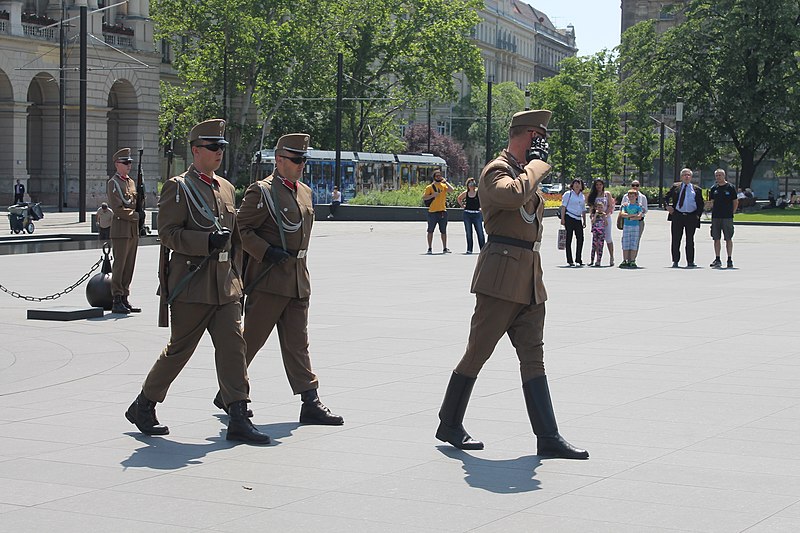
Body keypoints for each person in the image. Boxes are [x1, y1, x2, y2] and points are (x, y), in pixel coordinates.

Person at [435, 109, 588, 460]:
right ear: (529, 135)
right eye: (540, 136)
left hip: (529, 277)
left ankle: (547, 436)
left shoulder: (522, 172)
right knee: (478, 352)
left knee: (534, 355)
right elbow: (514, 196)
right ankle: (449, 422)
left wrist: (532, 168)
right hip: (501, 277)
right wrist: (536, 166)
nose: (544, 144)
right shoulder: (496, 171)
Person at [125, 118, 269, 444]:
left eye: (222, 147)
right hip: (191, 283)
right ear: (196, 150)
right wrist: (205, 241)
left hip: (225, 284)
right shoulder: (178, 187)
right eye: (213, 147)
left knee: (234, 348)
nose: (219, 152)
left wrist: (239, 279)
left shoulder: (228, 187)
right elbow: (168, 234)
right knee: (180, 350)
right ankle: (144, 404)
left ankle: (239, 415)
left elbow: (236, 242)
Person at [235, 133, 344, 426]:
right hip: (269, 278)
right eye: (296, 160)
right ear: (279, 160)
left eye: (303, 160)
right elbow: (241, 229)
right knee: (251, 341)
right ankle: (231, 393)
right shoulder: (261, 192)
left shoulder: (304, 191)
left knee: (298, 343)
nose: (301, 165)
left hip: (297, 278)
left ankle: (310, 401)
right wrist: (265, 251)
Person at [106, 148, 140, 314]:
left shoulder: (131, 182)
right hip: (121, 229)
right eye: (125, 163)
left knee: (129, 265)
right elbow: (118, 208)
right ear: (117, 164)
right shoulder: (114, 183)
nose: (129, 166)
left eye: (130, 163)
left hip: (133, 230)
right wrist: (136, 215)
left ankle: (125, 296)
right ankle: (117, 298)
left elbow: (134, 202)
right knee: (119, 265)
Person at [664, 168, 705, 268]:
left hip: (691, 216)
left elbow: (701, 204)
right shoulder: (675, 187)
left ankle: (690, 261)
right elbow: (665, 197)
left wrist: (697, 215)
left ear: (691, 177)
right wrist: (667, 206)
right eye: (684, 175)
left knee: (690, 239)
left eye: (688, 175)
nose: (686, 177)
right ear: (681, 177)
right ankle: (675, 260)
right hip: (677, 215)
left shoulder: (696, 189)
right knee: (676, 239)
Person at [708, 168, 738, 268]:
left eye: (720, 175)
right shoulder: (713, 188)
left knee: (728, 238)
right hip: (716, 216)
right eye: (716, 175)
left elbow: (735, 202)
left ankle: (729, 259)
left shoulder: (730, 187)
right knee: (716, 238)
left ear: (724, 176)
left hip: (727, 217)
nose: (718, 177)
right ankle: (717, 258)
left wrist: (732, 212)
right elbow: (711, 202)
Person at [422, 169, 454, 254]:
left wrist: (446, 182)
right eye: (437, 176)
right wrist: (432, 195)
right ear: (434, 177)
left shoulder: (443, 186)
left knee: (443, 231)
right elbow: (424, 197)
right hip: (432, 212)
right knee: (430, 230)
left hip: (442, 211)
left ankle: (444, 248)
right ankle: (429, 248)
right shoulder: (429, 187)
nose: (439, 177)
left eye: (440, 176)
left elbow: (452, 190)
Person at [587, 178, 617, 266]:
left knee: (608, 237)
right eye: (597, 185)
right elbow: (591, 207)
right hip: (596, 219)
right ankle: (597, 259)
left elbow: (610, 206)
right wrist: (593, 216)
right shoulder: (594, 195)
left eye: (600, 184)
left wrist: (605, 214)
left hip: (605, 217)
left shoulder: (607, 194)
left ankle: (611, 257)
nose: (599, 186)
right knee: (597, 239)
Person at [559, 178, 586, 266]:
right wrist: (562, 219)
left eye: (579, 184)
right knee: (569, 239)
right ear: (572, 185)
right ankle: (570, 260)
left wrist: (584, 221)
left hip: (578, 218)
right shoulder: (568, 194)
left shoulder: (582, 196)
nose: (577, 185)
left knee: (580, 238)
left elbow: (583, 209)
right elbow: (563, 207)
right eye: (575, 183)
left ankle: (578, 258)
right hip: (569, 217)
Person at [457, 177, 485, 254]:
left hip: (477, 214)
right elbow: (459, 198)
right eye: (470, 184)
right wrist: (462, 206)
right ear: (467, 185)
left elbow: (485, 199)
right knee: (469, 232)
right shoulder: (466, 193)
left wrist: (482, 208)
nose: (471, 185)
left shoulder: (478, 193)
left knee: (480, 232)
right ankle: (469, 249)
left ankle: (482, 249)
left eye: (473, 184)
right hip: (467, 214)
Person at [620, 179, 648, 246]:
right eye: (633, 185)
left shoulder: (643, 197)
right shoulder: (626, 196)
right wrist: (625, 206)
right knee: (625, 239)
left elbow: (646, 210)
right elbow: (621, 208)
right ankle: (627, 255)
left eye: (637, 185)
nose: (635, 187)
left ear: (639, 186)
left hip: (639, 221)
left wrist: (640, 208)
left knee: (636, 240)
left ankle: (633, 256)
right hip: (627, 220)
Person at [620, 190, 643, 268]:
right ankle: (625, 260)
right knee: (625, 243)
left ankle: (632, 260)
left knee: (634, 243)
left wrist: (630, 216)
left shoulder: (638, 206)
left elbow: (640, 216)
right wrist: (633, 215)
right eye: (630, 196)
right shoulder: (625, 205)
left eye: (633, 196)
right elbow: (622, 214)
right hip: (626, 226)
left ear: (636, 197)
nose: (631, 197)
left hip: (635, 226)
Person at [589, 202, 606, 267]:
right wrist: (595, 215)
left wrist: (604, 217)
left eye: (601, 207)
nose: (600, 209)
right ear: (596, 208)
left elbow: (606, 223)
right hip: (595, 232)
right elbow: (592, 221)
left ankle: (598, 261)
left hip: (601, 232)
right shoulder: (594, 214)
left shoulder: (604, 215)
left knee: (600, 247)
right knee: (594, 246)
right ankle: (592, 260)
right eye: (598, 207)